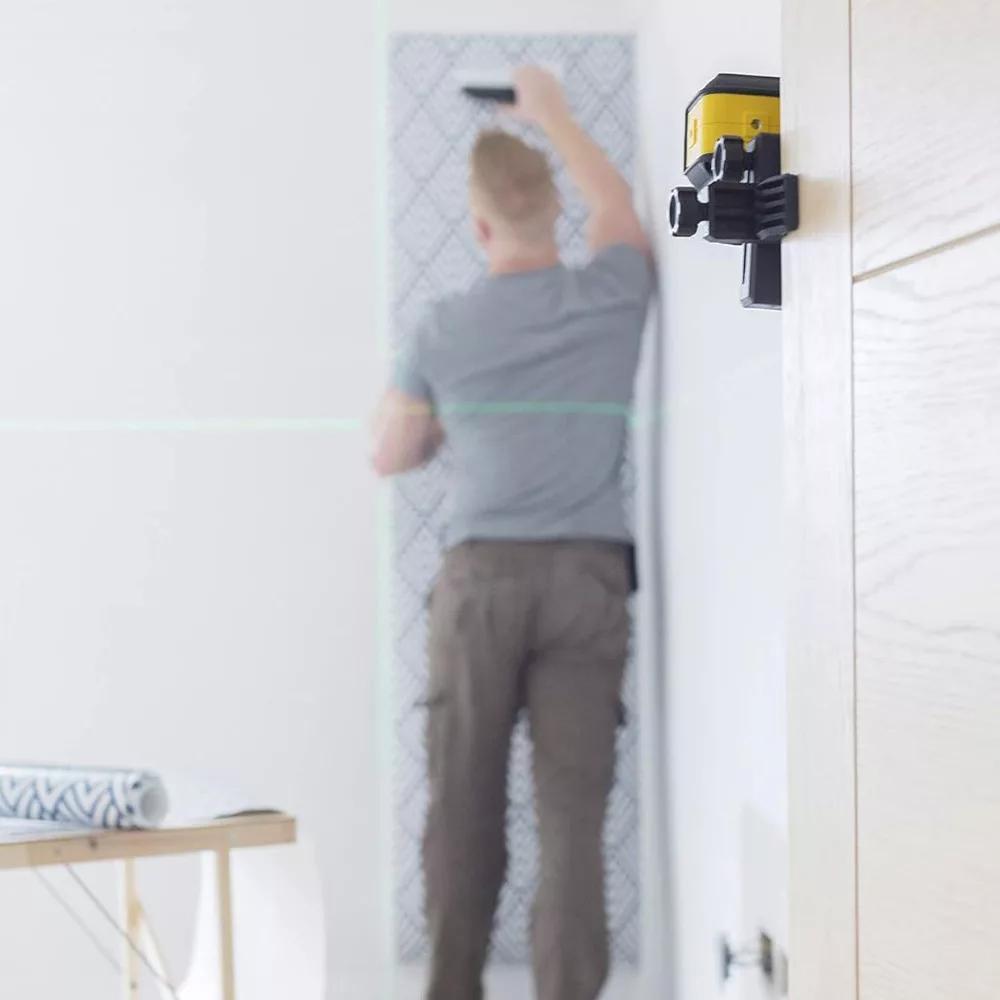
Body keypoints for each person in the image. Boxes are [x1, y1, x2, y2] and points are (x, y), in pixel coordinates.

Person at [371, 66, 653, 1000]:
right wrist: (555, 117)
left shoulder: (443, 329)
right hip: (587, 582)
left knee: (464, 807)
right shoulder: (609, 294)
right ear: (555, 216)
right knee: (572, 818)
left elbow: (392, 452)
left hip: (481, 585)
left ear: (480, 229)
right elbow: (618, 208)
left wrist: (440, 423)